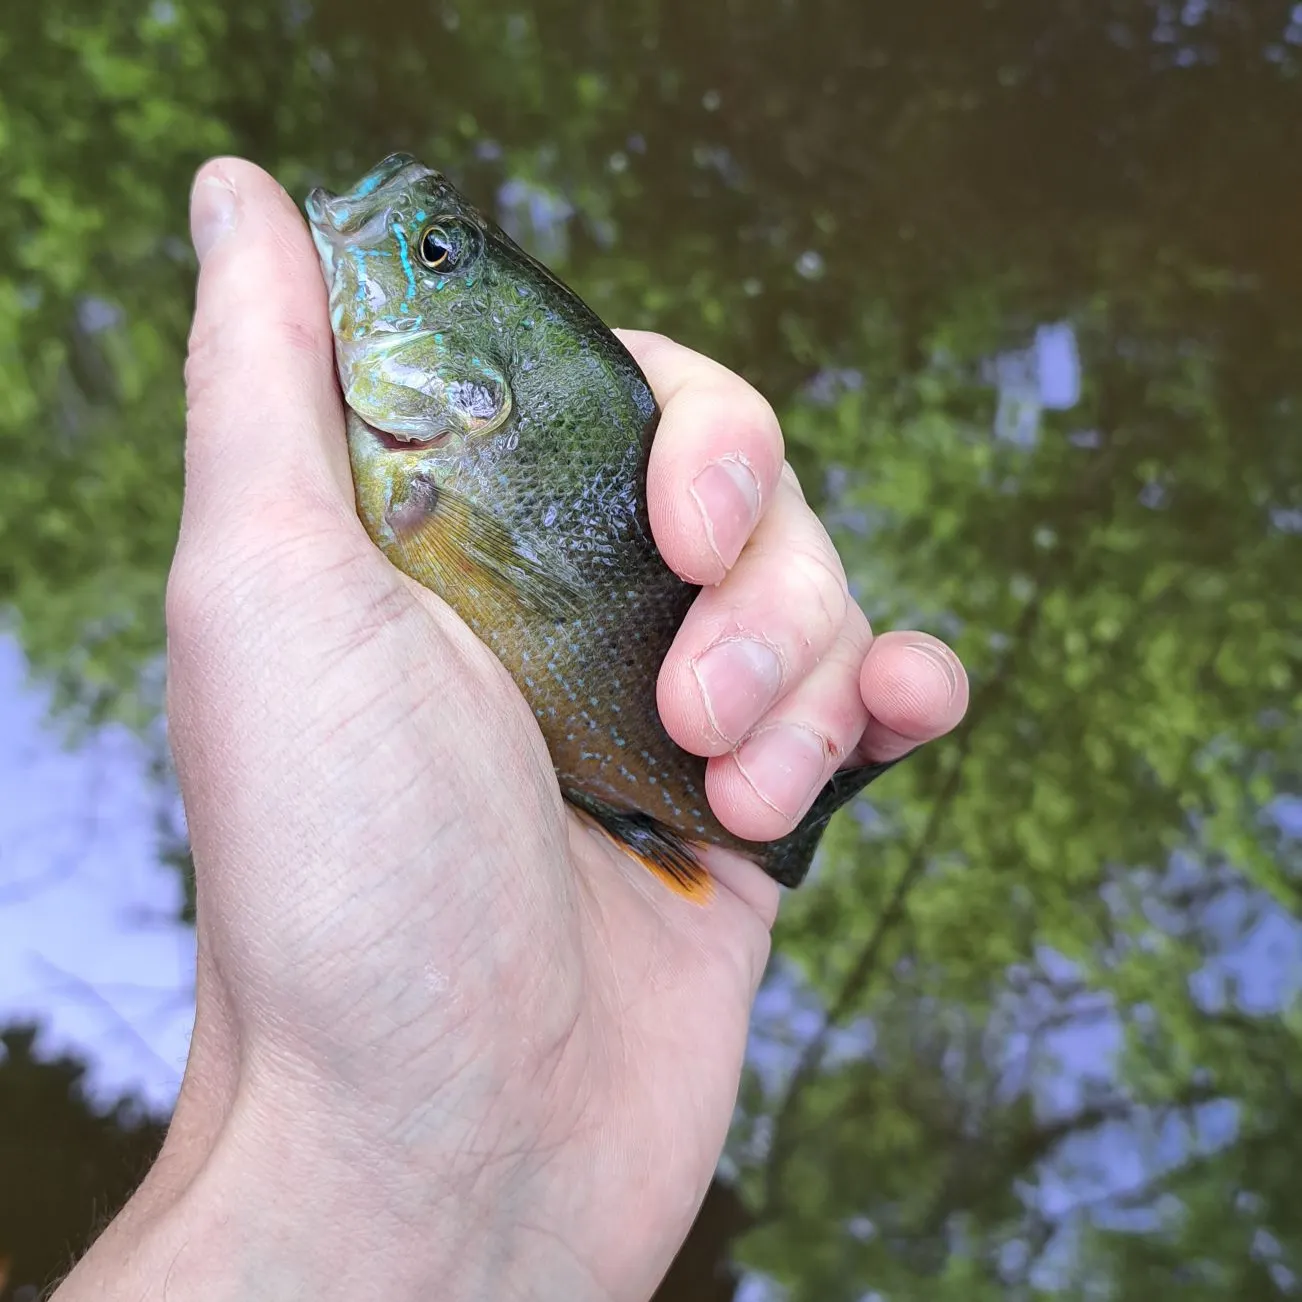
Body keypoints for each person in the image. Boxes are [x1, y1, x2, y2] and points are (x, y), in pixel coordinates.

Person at [53, 159, 969, 1301]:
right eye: (438, 251)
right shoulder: (383, 469)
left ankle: (753, 816)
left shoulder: (409, 467)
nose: (407, 240)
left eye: (434, 255)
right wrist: (368, 1165)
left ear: (478, 389)